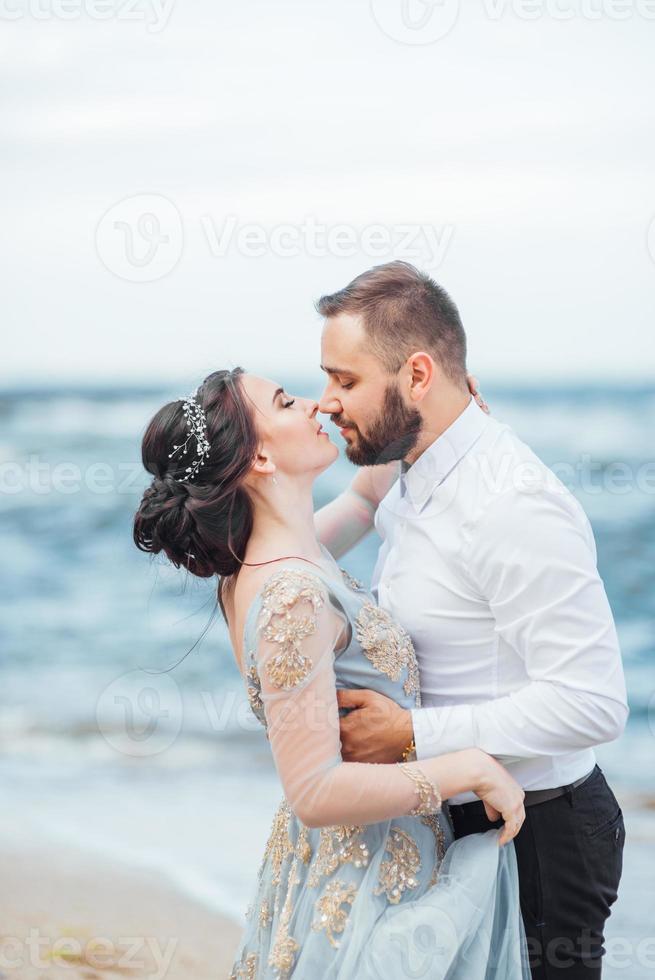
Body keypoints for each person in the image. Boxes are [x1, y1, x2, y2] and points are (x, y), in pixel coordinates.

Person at [133, 368, 530, 979]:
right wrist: (469, 767)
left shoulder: (279, 558)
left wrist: (431, 407)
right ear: (261, 455)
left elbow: (368, 500)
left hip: (355, 856)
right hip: (365, 876)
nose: (315, 403)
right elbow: (314, 792)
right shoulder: (289, 593)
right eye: (287, 402)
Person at [313, 261, 628, 978]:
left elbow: (592, 702)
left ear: (417, 375)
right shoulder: (407, 465)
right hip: (447, 818)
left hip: (539, 834)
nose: (325, 401)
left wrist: (409, 734)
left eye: (345, 380)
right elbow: (323, 536)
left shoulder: (511, 505)